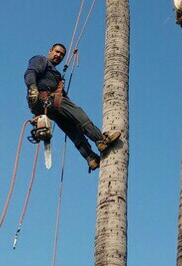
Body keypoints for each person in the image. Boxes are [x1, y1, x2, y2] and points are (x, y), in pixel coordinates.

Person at [24, 43, 120, 172]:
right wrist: (32, 87)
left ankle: (91, 158)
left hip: (50, 107)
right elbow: (31, 72)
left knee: (73, 129)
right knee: (78, 114)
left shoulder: (56, 75)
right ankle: (101, 140)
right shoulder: (41, 60)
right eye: (57, 52)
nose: (59, 55)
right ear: (50, 51)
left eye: (62, 54)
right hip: (46, 100)